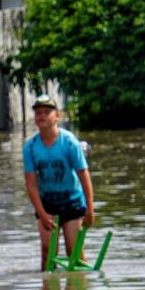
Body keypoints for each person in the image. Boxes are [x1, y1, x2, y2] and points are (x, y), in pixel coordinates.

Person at [23, 95, 95, 271]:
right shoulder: (30, 147)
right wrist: (41, 213)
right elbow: (31, 183)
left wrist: (90, 209)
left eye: (47, 112)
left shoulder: (69, 142)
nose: (42, 116)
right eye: (38, 113)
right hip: (47, 203)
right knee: (47, 252)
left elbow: (84, 175)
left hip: (72, 201)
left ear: (57, 116)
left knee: (74, 252)